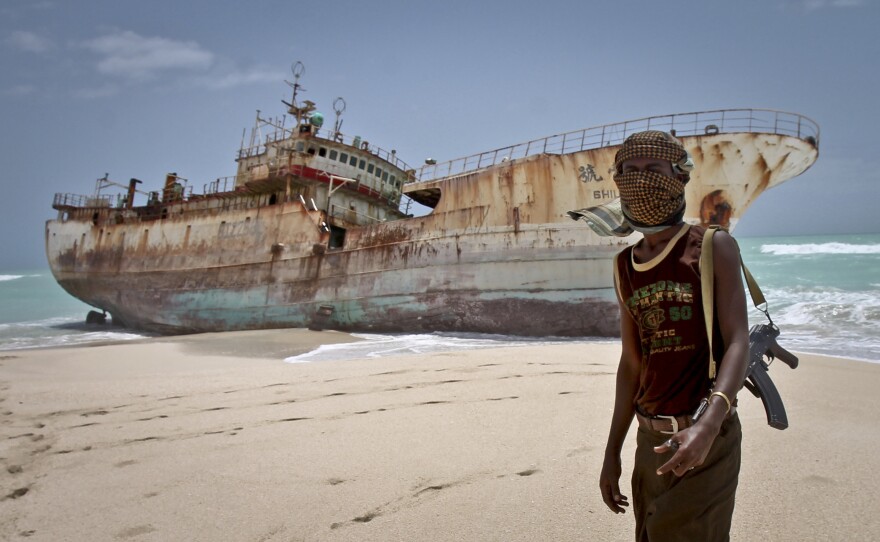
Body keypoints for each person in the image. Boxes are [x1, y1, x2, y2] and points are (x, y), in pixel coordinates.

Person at [598, 131, 750, 542]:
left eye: (652, 169)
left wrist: (708, 425)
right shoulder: (624, 265)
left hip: (707, 436)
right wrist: (613, 451)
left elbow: (738, 339)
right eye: (629, 171)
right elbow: (632, 363)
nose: (639, 179)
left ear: (678, 177)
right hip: (650, 440)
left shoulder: (712, 245)